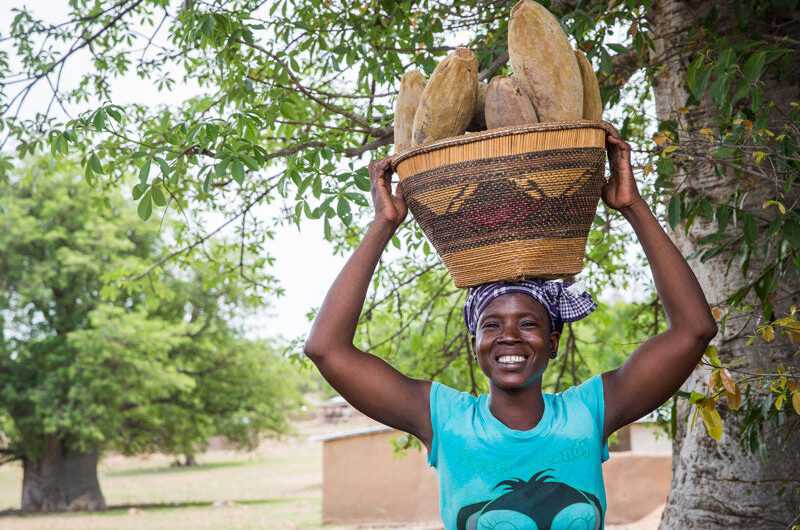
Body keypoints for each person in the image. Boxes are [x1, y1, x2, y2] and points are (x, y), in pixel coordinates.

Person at [304, 127, 718, 529]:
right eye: (492, 324)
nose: (510, 336)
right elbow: (327, 349)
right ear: (475, 343)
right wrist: (383, 224)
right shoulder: (443, 421)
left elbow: (694, 331)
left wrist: (632, 205)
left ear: (553, 341)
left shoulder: (589, 413)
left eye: (528, 323)